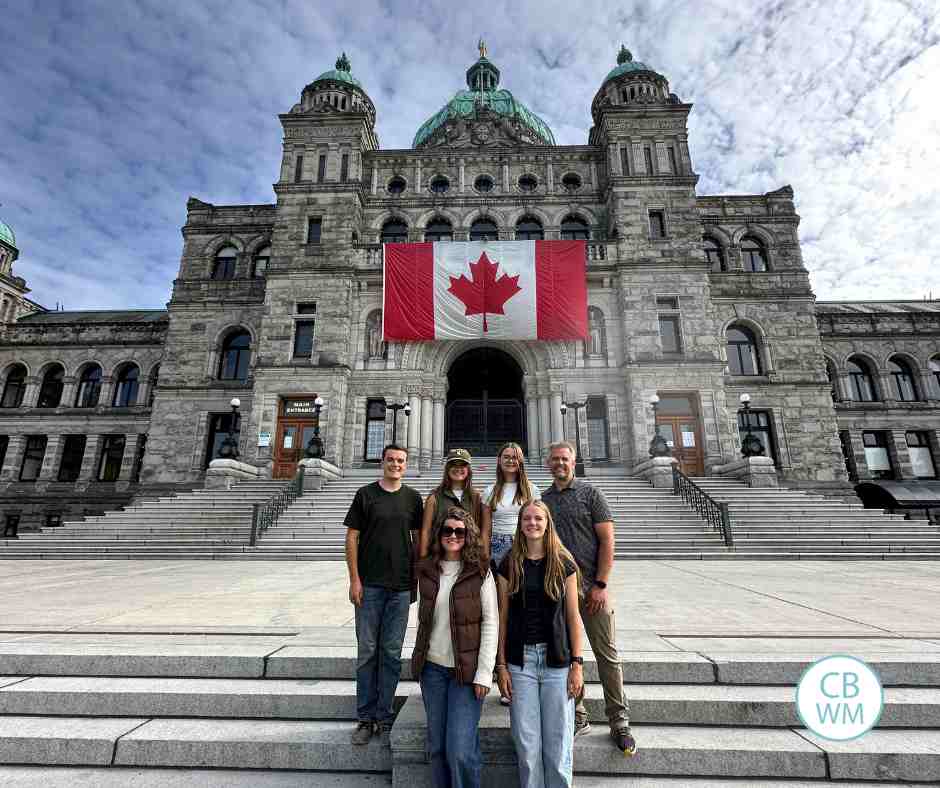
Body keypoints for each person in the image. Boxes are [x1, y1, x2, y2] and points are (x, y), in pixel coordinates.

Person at [542, 440, 637, 756]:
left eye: (565, 459)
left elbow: (608, 540)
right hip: (559, 592)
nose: (560, 464)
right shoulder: (543, 501)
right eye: (555, 459)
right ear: (547, 463)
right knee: (569, 655)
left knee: (606, 655)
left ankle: (619, 723)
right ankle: (579, 715)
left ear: (574, 461)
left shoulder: (591, 494)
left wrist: (600, 583)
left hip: (592, 589)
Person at [495, 500, 584, 788]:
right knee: (527, 745)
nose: (532, 523)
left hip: (557, 661)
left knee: (558, 744)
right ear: (519, 524)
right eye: (526, 519)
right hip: (521, 664)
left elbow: (573, 617)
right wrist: (501, 666)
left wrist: (577, 664)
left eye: (538, 518)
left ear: (547, 524)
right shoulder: (509, 562)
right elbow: (502, 618)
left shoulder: (564, 562)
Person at [411, 507, 498, 788]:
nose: (453, 536)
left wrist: (485, 673)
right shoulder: (427, 570)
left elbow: (491, 622)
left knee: (459, 750)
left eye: (459, 531)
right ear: (439, 534)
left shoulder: (480, 572)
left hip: (466, 673)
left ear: (468, 535)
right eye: (447, 530)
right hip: (433, 670)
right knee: (437, 747)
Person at [345, 443, 424, 746]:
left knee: (391, 653)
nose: (395, 464)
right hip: (370, 586)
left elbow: (418, 541)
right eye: (390, 460)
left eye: (400, 460)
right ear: (383, 462)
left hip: (400, 588)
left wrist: (415, 581)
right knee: (367, 652)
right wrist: (355, 580)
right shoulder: (365, 495)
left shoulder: (413, 499)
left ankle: (385, 714)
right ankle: (365, 717)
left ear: (406, 464)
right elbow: (352, 538)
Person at [481, 441, 540, 705]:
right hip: (495, 553)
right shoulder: (490, 491)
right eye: (506, 456)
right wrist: (483, 560)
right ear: (499, 460)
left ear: (522, 461)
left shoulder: (531, 490)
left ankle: (516, 677)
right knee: (496, 614)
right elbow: (485, 529)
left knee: (520, 612)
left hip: (521, 551)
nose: (511, 461)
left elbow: (537, 523)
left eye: (515, 457)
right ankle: (497, 671)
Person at [419, 448, 483, 559]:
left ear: (468, 470)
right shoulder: (434, 497)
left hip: (468, 557)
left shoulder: (475, 497)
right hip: (440, 557)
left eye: (462, 465)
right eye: (454, 465)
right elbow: (426, 530)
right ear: (447, 469)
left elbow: (478, 528)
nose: (458, 469)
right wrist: (423, 558)